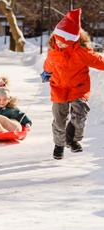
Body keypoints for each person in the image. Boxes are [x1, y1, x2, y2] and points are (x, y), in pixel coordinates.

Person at [41, 8, 104, 160]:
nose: (60, 44)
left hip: (78, 88)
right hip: (59, 88)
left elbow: (99, 61)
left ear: (74, 40)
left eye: (64, 42)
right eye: (58, 40)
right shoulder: (53, 51)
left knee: (80, 115)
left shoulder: (82, 52)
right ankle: (59, 145)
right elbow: (49, 65)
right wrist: (46, 73)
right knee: (59, 119)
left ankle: (73, 139)